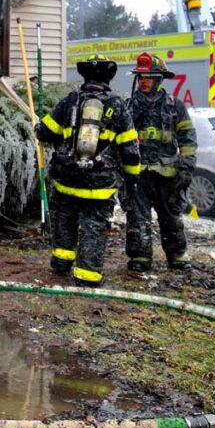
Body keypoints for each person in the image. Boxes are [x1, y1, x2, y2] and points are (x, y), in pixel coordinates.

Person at [36, 54, 141, 287]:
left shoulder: (70, 100)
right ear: (108, 77)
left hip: (67, 179)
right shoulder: (117, 106)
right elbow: (130, 149)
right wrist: (132, 178)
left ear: (84, 75)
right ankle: (88, 274)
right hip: (99, 184)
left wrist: (39, 127)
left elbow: (46, 131)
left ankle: (62, 261)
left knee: (65, 218)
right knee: (94, 225)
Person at [123, 53, 197, 272]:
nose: (144, 81)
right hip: (137, 175)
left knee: (171, 218)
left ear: (159, 79)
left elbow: (188, 140)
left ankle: (177, 256)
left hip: (168, 176)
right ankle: (140, 257)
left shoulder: (175, 106)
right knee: (137, 218)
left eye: (149, 77)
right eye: (141, 77)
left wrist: (186, 168)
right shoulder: (128, 107)